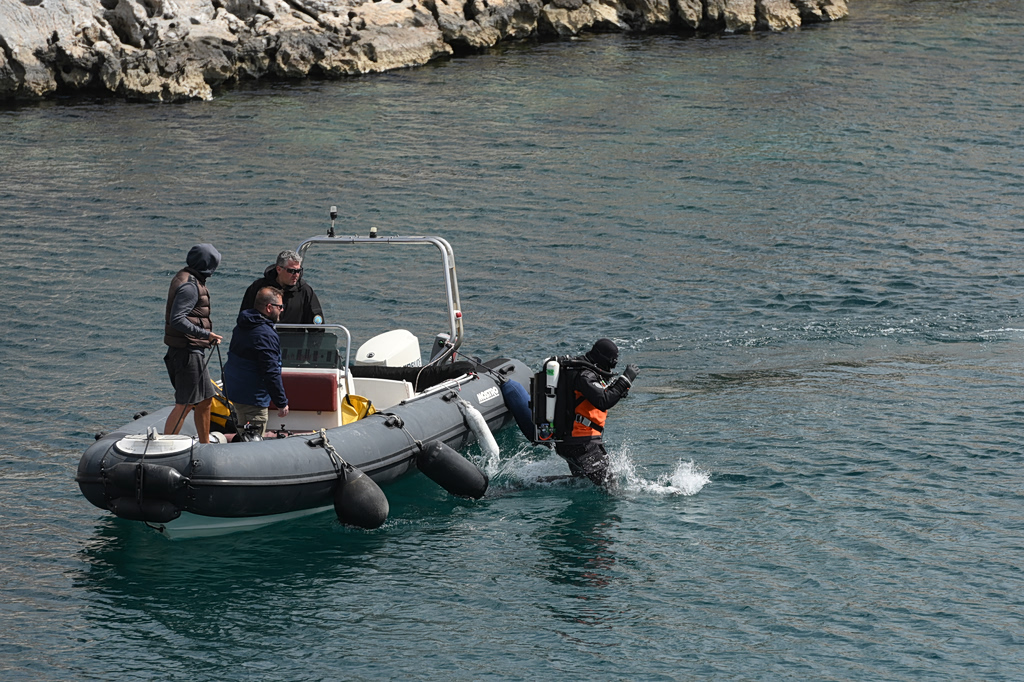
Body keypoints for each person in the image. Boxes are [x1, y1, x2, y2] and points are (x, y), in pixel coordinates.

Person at [555, 338, 639, 488]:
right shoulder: (584, 375)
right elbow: (603, 400)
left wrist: (617, 390)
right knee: (611, 487)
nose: (612, 367)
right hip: (582, 445)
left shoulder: (583, 370)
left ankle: (528, 484)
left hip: (574, 442)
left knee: (584, 483)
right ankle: (523, 485)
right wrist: (625, 380)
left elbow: (599, 394)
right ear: (603, 358)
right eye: (612, 362)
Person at [163, 244, 224, 444]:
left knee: (206, 399)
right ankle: (165, 445)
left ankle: (205, 444)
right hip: (187, 352)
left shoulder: (185, 277)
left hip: (190, 351)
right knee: (186, 403)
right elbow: (177, 319)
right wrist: (205, 334)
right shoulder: (190, 286)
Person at [223, 286, 290, 438]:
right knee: (251, 441)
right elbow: (270, 371)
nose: (282, 310)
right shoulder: (264, 335)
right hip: (253, 398)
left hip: (237, 392)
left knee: (243, 432)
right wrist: (281, 402)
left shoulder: (243, 325)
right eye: (280, 306)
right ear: (269, 307)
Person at [239, 250, 323, 324]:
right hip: (264, 338)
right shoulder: (258, 288)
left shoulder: (305, 291)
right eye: (292, 271)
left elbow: (316, 326)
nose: (296, 275)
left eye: (298, 271)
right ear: (279, 269)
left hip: (294, 340)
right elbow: (245, 318)